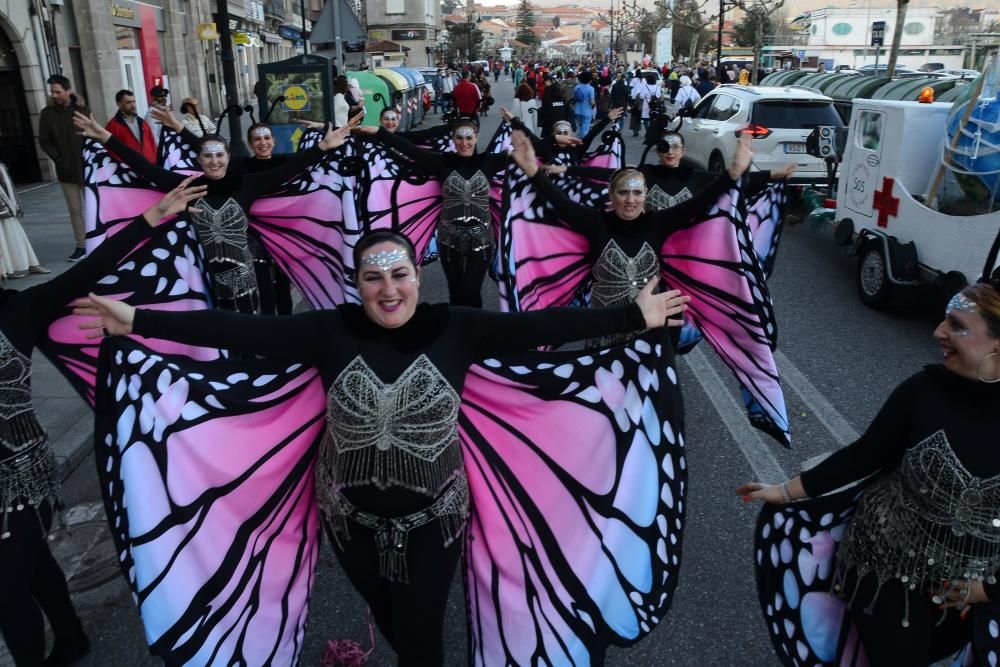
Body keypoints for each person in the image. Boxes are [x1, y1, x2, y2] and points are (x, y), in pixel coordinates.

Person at [75, 228, 691, 666]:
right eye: (374, 277)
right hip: (349, 524)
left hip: (436, 523)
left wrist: (633, 318)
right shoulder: (327, 329)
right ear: (357, 284)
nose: (388, 289)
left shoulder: (456, 326)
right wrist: (137, 321)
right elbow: (235, 327)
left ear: (417, 277)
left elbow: (541, 327)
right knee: (396, 626)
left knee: (421, 641)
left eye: (399, 275)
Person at [739, 281, 1000, 665]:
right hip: (885, 567)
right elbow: (865, 454)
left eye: (957, 326)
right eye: (944, 321)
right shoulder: (923, 390)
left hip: (972, 585)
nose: (938, 332)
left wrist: (990, 590)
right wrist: (786, 492)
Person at [0, 179, 205, 667]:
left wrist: (152, 217)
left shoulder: (16, 311)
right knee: (32, 570)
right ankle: (72, 637)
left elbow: (87, 271)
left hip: (18, 479)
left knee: (7, 593)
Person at [73, 111, 352, 314]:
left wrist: (323, 147)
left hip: (246, 281)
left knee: (251, 335)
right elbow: (144, 169)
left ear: (228, 158)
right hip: (202, 279)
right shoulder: (187, 187)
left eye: (220, 155)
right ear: (199, 159)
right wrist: (106, 137)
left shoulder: (246, 184)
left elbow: (289, 169)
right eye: (208, 156)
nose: (214, 160)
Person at [510, 130, 751, 346]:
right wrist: (533, 170)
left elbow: (698, 203)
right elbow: (560, 203)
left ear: (646, 194)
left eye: (637, 192)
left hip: (649, 329)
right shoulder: (595, 223)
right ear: (612, 196)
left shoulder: (658, 223)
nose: (631, 199)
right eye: (623, 192)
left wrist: (732, 175)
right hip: (605, 329)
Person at [356, 120, 508, 308]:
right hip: (449, 239)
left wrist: (551, 139)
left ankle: (474, 330)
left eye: (469, 137)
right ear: (453, 139)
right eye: (459, 137)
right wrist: (379, 132)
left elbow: (528, 152)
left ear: (476, 138)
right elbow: (409, 150)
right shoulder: (441, 162)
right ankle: (457, 330)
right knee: (456, 291)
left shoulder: (489, 161)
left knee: (471, 291)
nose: (464, 142)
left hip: (482, 240)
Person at [37, 74, 89, 262]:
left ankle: (98, 241)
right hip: (66, 170)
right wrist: (58, 158)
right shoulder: (47, 113)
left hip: (86, 168)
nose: (54, 95)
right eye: (52, 91)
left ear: (68, 91)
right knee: (75, 210)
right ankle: (81, 245)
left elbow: (93, 135)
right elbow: (44, 140)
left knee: (93, 207)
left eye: (58, 91)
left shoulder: (82, 110)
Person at [0, 161, 49, 279]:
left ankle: (31, 263)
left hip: (5, 201)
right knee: (3, 236)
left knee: (14, 233)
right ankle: (8, 270)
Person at [105, 89, 157, 164]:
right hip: (129, 170)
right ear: (119, 104)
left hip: (149, 167)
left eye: (134, 101)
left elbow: (152, 143)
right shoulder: (113, 126)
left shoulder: (142, 122)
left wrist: (153, 161)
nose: (133, 105)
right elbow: (111, 151)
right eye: (128, 102)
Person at [630, 73, 660, 137]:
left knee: (645, 119)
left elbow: (641, 96)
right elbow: (659, 95)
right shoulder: (657, 87)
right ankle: (651, 131)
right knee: (652, 118)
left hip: (646, 104)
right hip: (655, 104)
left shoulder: (645, 87)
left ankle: (647, 131)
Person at [573, 71, 597, 137]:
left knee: (581, 128)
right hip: (587, 111)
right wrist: (594, 103)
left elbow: (574, 97)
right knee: (585, 130)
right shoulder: (591, 88)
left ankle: (578, 140)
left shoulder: (577, 87)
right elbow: (592, 101)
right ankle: (581, 142)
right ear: (589, 79)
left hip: (577, 110)